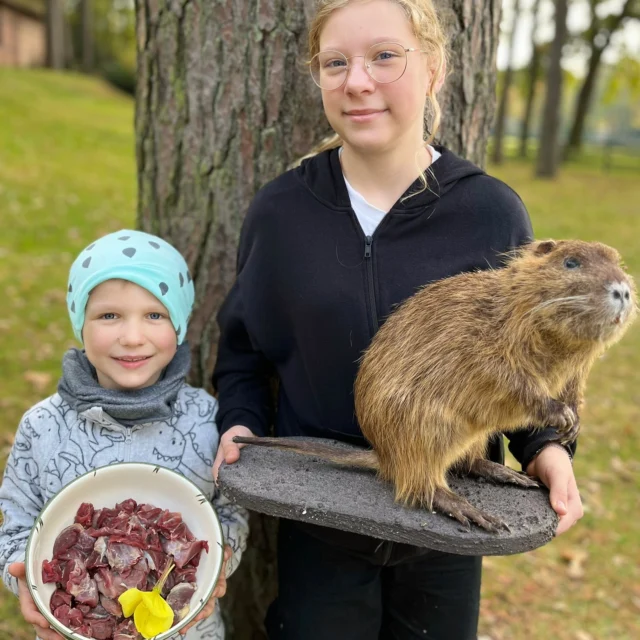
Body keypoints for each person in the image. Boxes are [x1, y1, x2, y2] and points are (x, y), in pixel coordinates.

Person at [212, 0, 583, 638]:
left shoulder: (490, 213)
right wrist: (239, 422)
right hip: (322, 502)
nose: (358, 82)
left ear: (433, 70)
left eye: (385, 56)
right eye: (336, 63)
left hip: (451, 511)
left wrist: (547, 449)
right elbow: (244, 352)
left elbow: (533, 352)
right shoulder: (281, 213)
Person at [0, 229, 249, 640]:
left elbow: (232, 510)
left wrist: (223, 560)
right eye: (108, 316)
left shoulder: (207, 419)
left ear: (180, 325)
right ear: (80, 324)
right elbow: (15, 523)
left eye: (155, 315)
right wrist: (24, 580)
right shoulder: (43, 428)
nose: (132, 337)